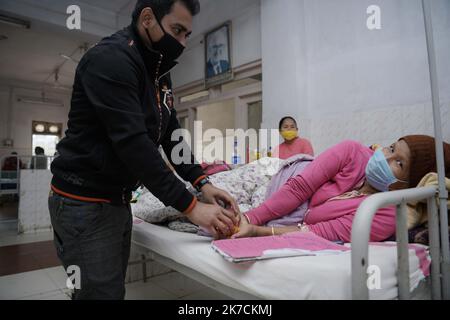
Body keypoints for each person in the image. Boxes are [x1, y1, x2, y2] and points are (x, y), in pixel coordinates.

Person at [48, 0, 239, 300]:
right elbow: (134, 145)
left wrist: (203, 182)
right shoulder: (110, 59)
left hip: (116, 200)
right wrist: (191, 207)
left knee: (108, 292)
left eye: (187, 34)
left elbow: (171, 133)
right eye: (177, 30)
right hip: (82, 202)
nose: (183, 43)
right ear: (147, 18)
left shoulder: (159, 70)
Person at [233, 135, 450, 243]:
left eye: (399, 163)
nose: (385, 156)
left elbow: (317, 233)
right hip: (281, 179)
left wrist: (256, 231)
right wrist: (251, 218)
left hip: (289, 213)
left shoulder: (382, 213)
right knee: (228, 189)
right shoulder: (352, 152)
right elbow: (300, 186)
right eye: (391, 148)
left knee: (225, 219)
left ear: (411, 184)